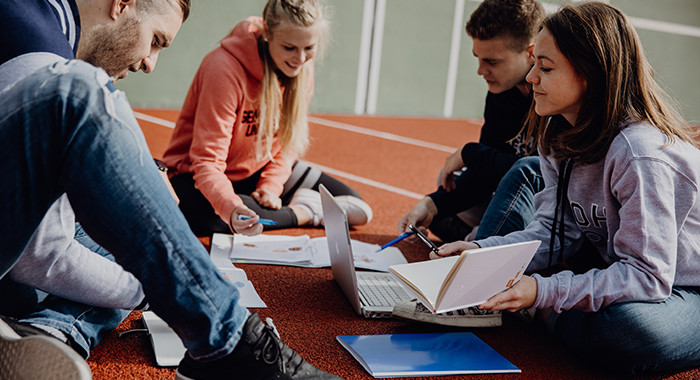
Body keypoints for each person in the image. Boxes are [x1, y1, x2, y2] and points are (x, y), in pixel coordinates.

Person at [0, 1, 339, 380]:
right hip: (19, 268)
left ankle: (52, 334)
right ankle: (225, 338)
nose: (150, 63)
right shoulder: (31, 37)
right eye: (156, 40)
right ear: (122, 5)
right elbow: (43, 256)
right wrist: (163, 286)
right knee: (80, 93)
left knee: (126, 246)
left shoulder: (51, 30)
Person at [434, 2, 700, 374]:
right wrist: (482, 250)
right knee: (603, 317)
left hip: (686, 287)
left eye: (545, 68)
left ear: (590, 74)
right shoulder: (557, 134)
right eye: (534, 66)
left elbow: (648, 276)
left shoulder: (639, 152)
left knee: (631, 334)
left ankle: (542, 313)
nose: (531, 79)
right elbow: (554, 230)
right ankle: (548, 313)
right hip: (636, 276)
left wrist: (544, 292)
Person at [391, 0, 545, 329]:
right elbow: (487, 171)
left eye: (491, 61)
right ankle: (478, 242)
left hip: (546, 211)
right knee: (444, 198)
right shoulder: (500, 93)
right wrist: (432, 203)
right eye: (477, 59)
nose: (480, 70)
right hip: (507, 197)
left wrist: (467, 152)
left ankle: (473, 289)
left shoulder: (550, 94)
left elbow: (530, 173)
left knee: (512, 171)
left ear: (531, 52)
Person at [161, 0, 372, 237]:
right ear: (268, 35)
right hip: (196, 176)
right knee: (204, 217)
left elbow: (286, 144)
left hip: (257, 169)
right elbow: (207, 162)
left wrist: (271, 186)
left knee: (356, 207)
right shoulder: (223, 68)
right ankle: (304, 213)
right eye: (289, 47)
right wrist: (231, 206)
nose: (300, 59)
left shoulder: (302, 69)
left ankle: (271, 209)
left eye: (309, 48)